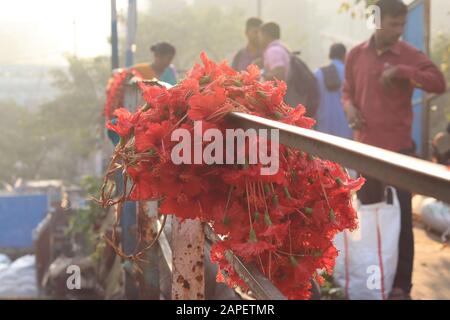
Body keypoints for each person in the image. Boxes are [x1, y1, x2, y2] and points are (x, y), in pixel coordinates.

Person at [342, 0, 446, 300]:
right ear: (376, 21)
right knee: (369, 219)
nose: (398, 31)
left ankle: (401, 286)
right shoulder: (356, 55)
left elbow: (438, 83)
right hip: (365, 152)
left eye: (401, 24)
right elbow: (347, 91)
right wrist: (349, 107)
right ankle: (374, 280)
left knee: (400, 224)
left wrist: (402, 72)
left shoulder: (409, 56)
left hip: (398, 155)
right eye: (393, 24)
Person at [259, 22, 319, 117]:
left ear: (266, 35)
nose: (259, 39)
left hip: (286, 100)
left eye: (260, 36)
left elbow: (279, 74)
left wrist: (261, 75)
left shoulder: (273, 51)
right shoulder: (282, 48)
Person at [315, 43, 353, 139]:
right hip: (345, 128)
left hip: (323, 126)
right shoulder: (349, 72)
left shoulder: (318, 73)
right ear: (345, 55)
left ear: (330, 55)